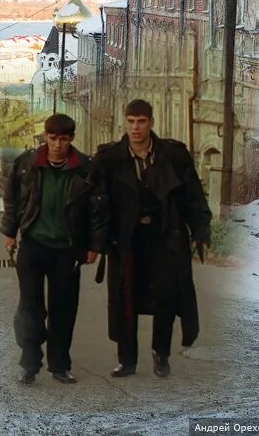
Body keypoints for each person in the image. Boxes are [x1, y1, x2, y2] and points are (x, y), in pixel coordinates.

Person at [93, 99, 212, 379]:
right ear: (125, 121)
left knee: (166, 298)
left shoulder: (172, 156)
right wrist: (95, 241)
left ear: (151, 123)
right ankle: (127, 360)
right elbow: (97, 202)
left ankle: (161, 354)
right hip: (127, 240)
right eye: (131, 121)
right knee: (126, 297)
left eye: (142, 121)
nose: (136, 128)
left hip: (164, 236)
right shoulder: (109, 159)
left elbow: (192, 196)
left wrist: (200, 231)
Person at [0, 114, 107, 385]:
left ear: (71, 139)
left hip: (67, 250)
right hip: (34, 245)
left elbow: (97, 209)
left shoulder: (85, 168)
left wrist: (94, 245)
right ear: (45, 137)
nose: (58, 144)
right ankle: (29, 363)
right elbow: (12, 197)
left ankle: (60, 364)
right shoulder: (27, 164)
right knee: (30, 308)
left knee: (63, 309)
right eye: (53, 138)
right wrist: (10, 232)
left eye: (63, 139)